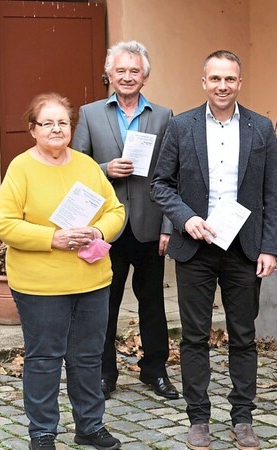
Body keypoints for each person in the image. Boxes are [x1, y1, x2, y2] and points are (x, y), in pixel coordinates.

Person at [151, 50, 277, 450]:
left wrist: (270, 248)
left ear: (240, 83)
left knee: (243, 337)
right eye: (215, 79)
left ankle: (242, 418)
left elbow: (272, 194)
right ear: (203, 82)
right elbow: (160, 184)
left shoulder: (260, 128)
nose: (222, 86)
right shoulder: (180, 126)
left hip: (244, 249)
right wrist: (185, 218)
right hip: (195, 247)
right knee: (194, 338)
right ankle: (199, 418)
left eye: (230, 79)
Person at [0, 93, 125, 450]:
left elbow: (116, 211)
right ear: (33, 129)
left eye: (62, 122)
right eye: (47, 123)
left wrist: (98, 232)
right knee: (45, 358)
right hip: (40, 284)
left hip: (91, 279)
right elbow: (3, 224)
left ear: (71, 127)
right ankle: (43, 432)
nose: (56, 129)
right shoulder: (21, 168)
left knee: (87, 357)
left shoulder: (86, 165)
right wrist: (54, 238)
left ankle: (90, 426)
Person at [72, 40, 177, 401]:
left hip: (150, 225)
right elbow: (76, 169)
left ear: (145, 76)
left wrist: (168, 227)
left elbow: (171, 174)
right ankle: (105, 373)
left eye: (135, 70)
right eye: (121, 71)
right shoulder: (89, 114)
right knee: (105, 305)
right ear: (109, 75)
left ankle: (155, 371)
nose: (127, 76)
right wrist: (106, 169)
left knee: (153, 304)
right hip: (106, 226)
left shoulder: (163, 116)